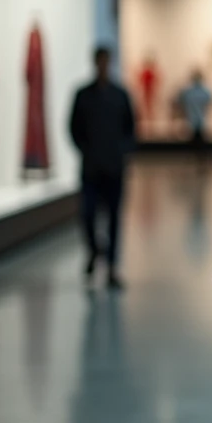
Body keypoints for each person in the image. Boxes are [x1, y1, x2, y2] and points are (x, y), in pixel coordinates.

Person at [70, 46, 136, 289]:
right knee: (87, 214)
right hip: (91, 168)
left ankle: (111, 268)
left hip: (114, 168)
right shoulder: (83, 95)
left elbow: (130, 127)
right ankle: (94, 250)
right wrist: (86, 150)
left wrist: (122, 151)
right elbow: (73, 127)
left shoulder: (120, 95)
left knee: (113, 219)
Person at [178, 69, 212, 147]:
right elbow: (210, 101)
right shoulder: (204, 92)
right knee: (200, 143)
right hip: (200, 121)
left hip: (192, 121)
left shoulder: (188, 92)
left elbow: (181, 102)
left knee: (194, 143)